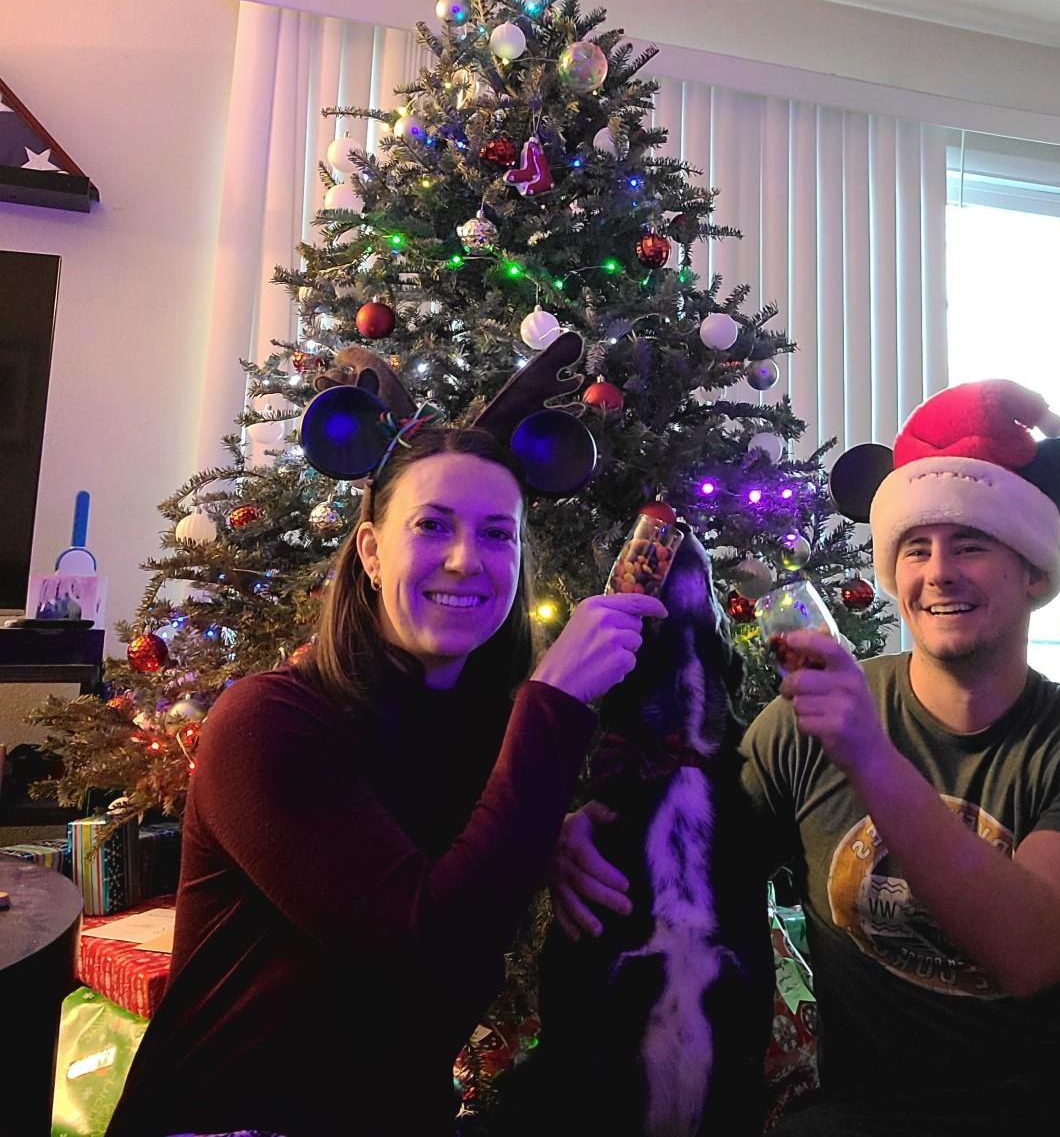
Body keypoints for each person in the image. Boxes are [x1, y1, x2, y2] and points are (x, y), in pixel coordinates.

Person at [554, 380, 1060, 1137]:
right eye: (916, 549)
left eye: (971, 545)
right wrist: (588, 830)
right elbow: (696, 856)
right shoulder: (803, 726)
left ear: (1031, 571)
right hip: (883, 1109)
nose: (939, 573)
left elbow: (1028, 949)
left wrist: (870, 757)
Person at [108, 424, 666, 1137]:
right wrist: (552, 703)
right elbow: (427, 949)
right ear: (371, 551)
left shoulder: (479, 738)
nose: (466, 560)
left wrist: (546, 831)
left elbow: (448, 847)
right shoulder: (266, 721)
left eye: (497, 534)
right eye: (432, 526)